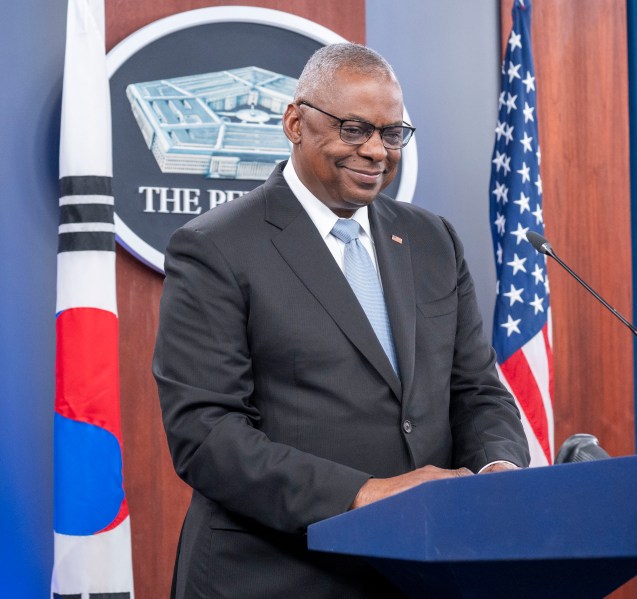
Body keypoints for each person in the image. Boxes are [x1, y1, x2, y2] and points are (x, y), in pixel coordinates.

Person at [153, 43, 529, 599]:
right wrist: (365, 493)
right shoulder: (215, 248)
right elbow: (205, 435)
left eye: (392, 133)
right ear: (294, 123)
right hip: (274, 576)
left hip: (420, 573)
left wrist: (498, 468)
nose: (377, 151)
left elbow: (476, 390)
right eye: (354, 129)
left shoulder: (433, 241)